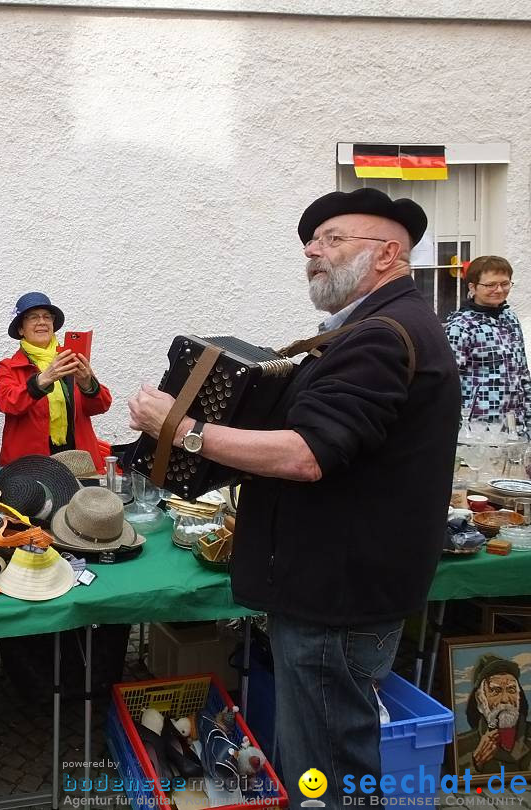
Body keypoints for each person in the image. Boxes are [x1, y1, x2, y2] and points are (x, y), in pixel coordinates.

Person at [128, 188, 460, 806]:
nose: (314, 251)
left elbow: (307, 454)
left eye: (334, 239)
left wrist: (179, 429)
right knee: (328, 754)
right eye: (312, 242)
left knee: (329, 769)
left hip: (336, 596)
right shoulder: (374, 328)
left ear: (388, 254)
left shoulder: (381, 336)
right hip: (340, 587)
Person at [0, 292, 112, 469]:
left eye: (47, 317)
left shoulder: (69, 358)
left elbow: (101, 406)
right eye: (33, 317)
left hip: (78, 461)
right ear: (21, 329)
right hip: (31, 465)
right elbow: (6, 403)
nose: (41, 322)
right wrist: (42, 380)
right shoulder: (9, 367)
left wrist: (88, 384)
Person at [444, 255, 531, 435]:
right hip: (479, 429)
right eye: (490, 285)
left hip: (515, 426)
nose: (499, 290)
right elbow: (449, 382)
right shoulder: (460, 326)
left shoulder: (511, 319)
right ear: (473, 287)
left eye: (505, 284)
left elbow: (523, 373)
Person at [456, 654, 531, 774]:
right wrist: (475, 763)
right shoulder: (460, 746)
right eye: (496, 691)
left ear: (519, 696)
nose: (505, 699)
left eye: (511, 690)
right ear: (480, 700)